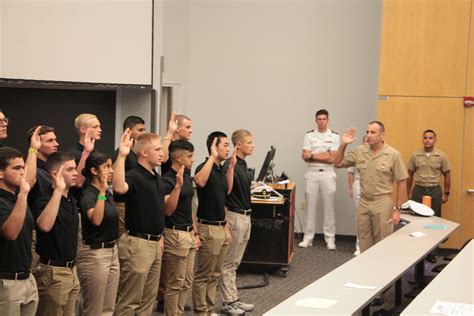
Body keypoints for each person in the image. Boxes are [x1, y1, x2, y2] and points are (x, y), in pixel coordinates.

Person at [113, 131, 179, 315]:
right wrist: (122, 155)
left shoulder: (155, 176)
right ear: (144, 153)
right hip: (138, 244)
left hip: (154, 242)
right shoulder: (134, 175)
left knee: (148, 300)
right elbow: (118, 187)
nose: (162, 153)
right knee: (130, 301)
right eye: (157, 150)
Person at [334, 121, 408, 253]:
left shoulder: (393, 154)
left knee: (382, 241)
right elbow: (337, 163)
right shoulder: (360, 151)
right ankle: (366, 271)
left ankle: (383, 272)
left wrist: (397, 209)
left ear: (382, 135)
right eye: (367, 132)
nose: (368, 135)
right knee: (364, 240)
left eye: (373, 132)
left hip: (382, 202)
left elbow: (401, 182)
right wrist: (343, 144)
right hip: (364, 201)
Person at [193, 131, 236, 316]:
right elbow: (200, 182)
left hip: (220, 225)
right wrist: (211, 157)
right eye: (225, 145)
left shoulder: (220, 169)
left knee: (215, 274)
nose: (228, 148)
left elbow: (227, 191)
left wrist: (231, 167)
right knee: (204, 275)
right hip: (207, 227)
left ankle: (209, 310)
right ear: (214, 146)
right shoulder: (205, 167)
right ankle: (201, 311)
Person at [33, 151, 81, 315]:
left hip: (71, 270)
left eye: (75, 168)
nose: (75, 173)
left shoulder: (71, 200)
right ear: (55, 174)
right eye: (69, 169)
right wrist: (58, 190)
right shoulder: (44, 199)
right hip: (53, 271)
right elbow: (45, 226)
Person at [76, 152, 119, 315]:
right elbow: (96, 220)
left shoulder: (107, 193)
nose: (111, 170)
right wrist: (102, 191)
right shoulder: (89, 194)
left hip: (112, 251)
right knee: (93, 309)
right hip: (95, 254)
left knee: (108, 308)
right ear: (94, 171)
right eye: (106, 167)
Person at [219, 129, 255, 314]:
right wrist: (231, 168)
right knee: (228, 263)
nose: (253, 145)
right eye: (249, 142)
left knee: (235, 263)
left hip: (245, 216)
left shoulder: (243, 164)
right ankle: (228, 302)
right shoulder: (230, 165)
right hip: (234, 217)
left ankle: (233, 299)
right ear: (238, 145)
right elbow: (226, 189)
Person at [0, 147, 38, 315]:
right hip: (6, 283)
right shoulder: (5, 200)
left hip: (26, 278)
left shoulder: (17, 198)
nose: (22, 172)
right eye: (16, 168)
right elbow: (11, 233)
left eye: (23, 167)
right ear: (1, 173)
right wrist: (23, 194)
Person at [161, 140, 197, 316]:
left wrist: (195, 232)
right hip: (175, 233)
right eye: (189, 156)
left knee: (187, 281)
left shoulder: (187, 176)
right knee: (175, 282)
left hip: (188, 233)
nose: (193, 159)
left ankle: (179, 312)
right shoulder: (168, 180)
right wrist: (177, 186)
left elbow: (189, 207)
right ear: (177, 157)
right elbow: (167, 210)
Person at [407, 129, 451, 263]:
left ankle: (432, 252)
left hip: (434, 190)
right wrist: (408, 192)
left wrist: (446, 193)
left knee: (434, 222)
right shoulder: (415, 155)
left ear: (435, 140)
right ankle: (417, 251)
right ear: (422, 139)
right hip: (418, 189)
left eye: (430, 138)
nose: (427, 140)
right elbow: (409, 174)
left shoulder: (441, 156)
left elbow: (447, 175)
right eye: (425, 138)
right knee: (416, 221)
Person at [299, 109, 340, 250]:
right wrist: (324, 155)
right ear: (316, 120)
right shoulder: (309, 135)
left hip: (328, 174)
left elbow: (332, 158)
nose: (322, 121)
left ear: (328, 120)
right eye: (319, 119)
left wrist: (313, 155)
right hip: (312, 173)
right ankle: (308, 238)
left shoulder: (334, 136)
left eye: (324, 119)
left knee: (329, 208)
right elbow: (305, 156)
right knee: (310, 207)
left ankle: (330, 239)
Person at [112, 115, 146, 237]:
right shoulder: (121, 153)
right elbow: (112, 174)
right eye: (140, 130)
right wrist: (122, 155)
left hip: (136, 203)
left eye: (144, 130)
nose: (143, 133)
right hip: (123, 204)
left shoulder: (137, 153)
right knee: (123, 236)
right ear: (128, 131)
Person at [347, 135, 367, 256]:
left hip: (375, 188)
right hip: (359, 185)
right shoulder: (357, 154)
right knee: (360, 217)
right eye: (365, 140)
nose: (368, 142)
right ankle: (359, 246)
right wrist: (350, 189)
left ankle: (372, 245)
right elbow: (350, 172)